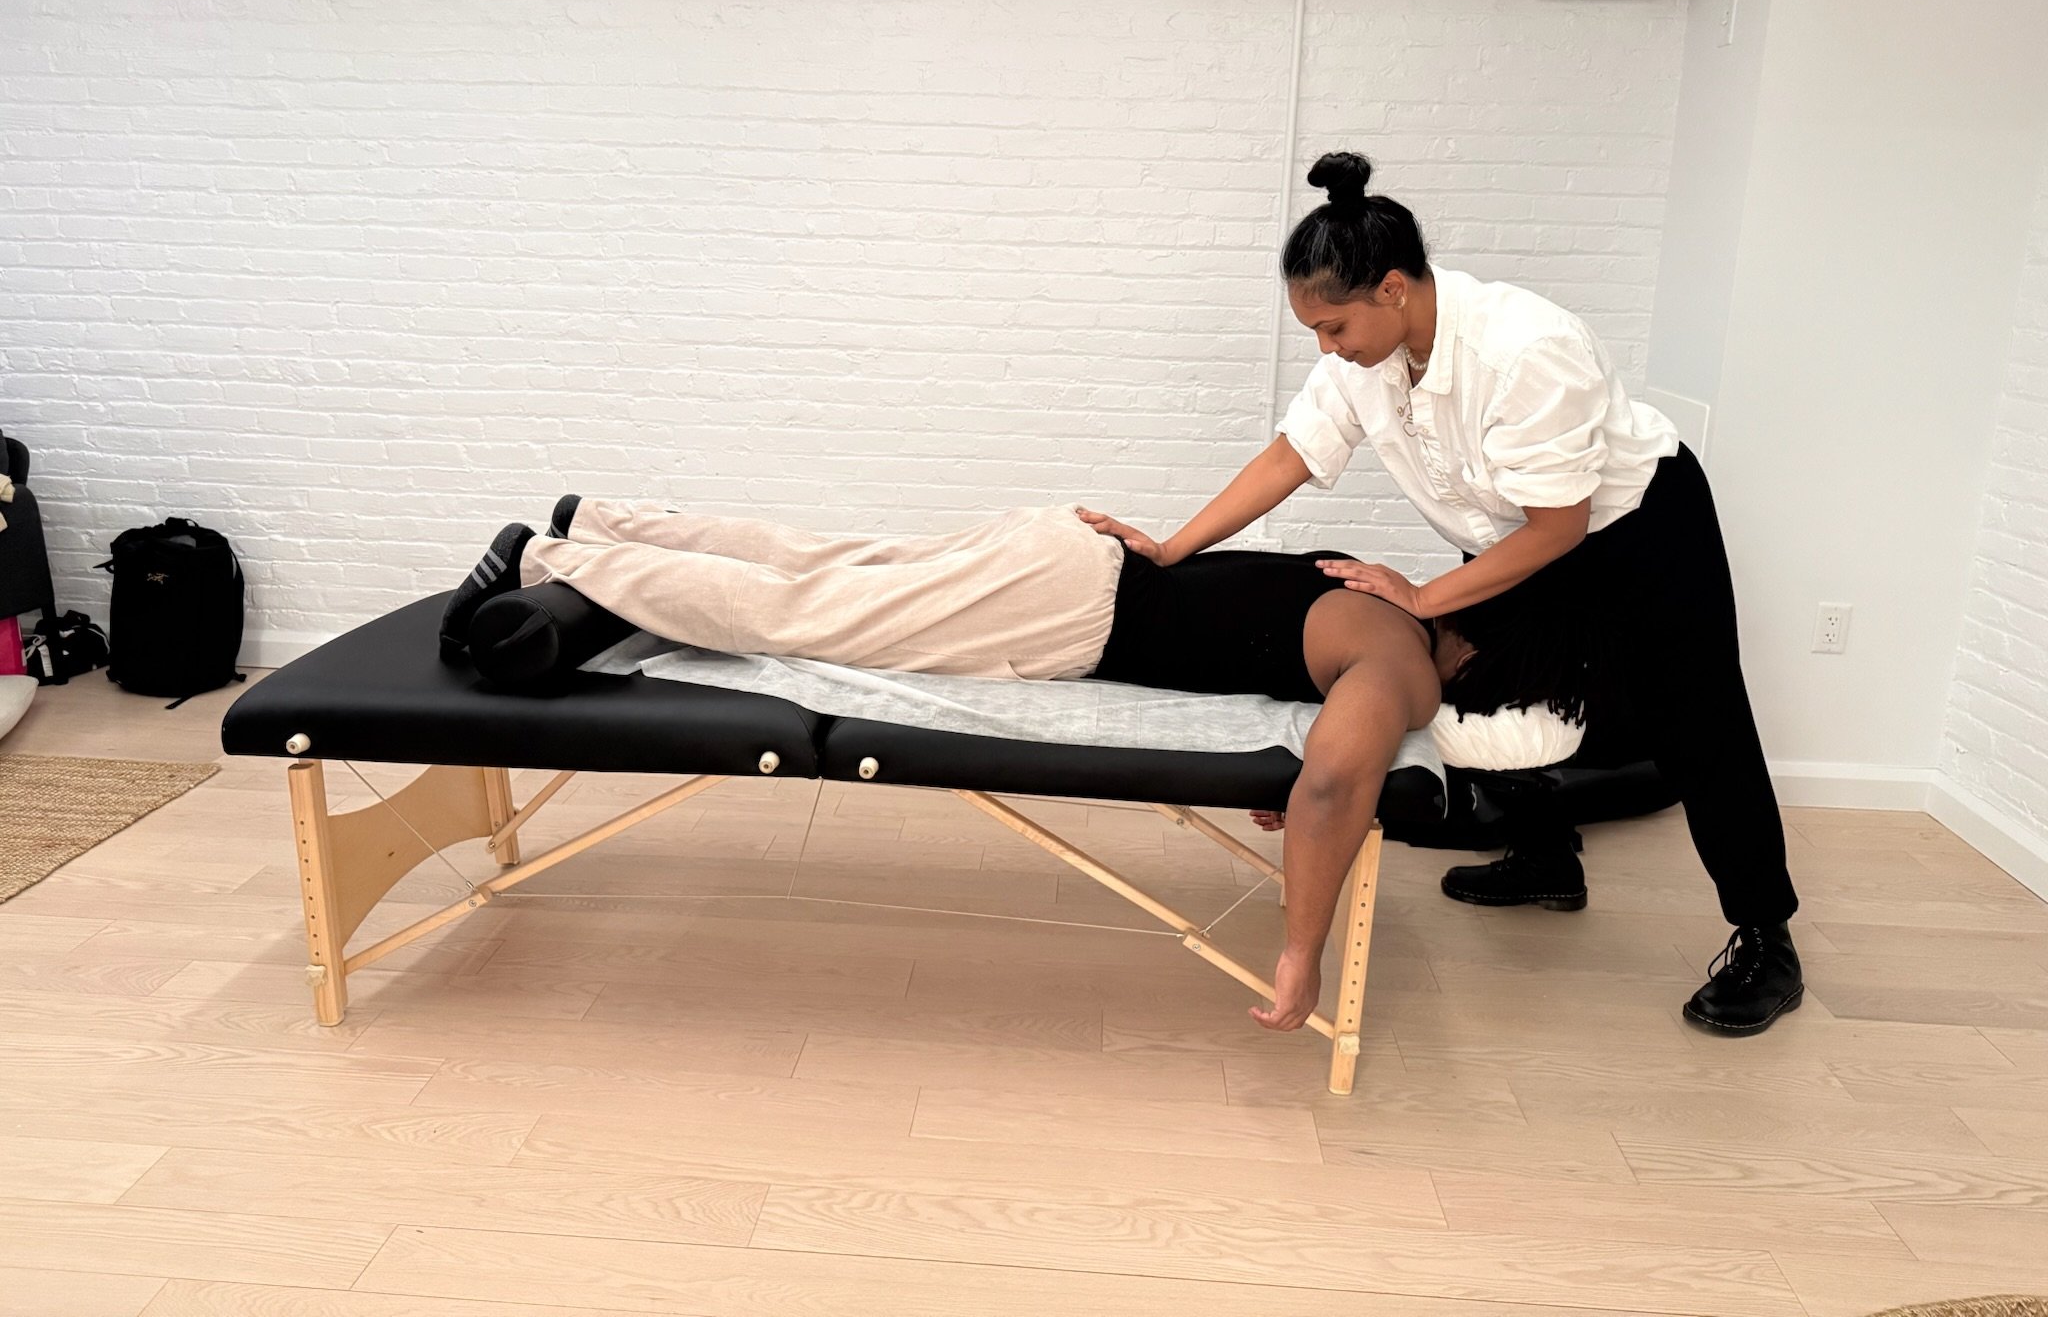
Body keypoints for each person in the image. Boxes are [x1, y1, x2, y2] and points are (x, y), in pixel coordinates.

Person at [1078, 151, 1803, 1037]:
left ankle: (1765, 939)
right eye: (1314, 330)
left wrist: (1424, 597)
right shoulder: (1366, 357)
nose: (1326, 348)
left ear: (1392, 289)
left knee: (1698, 713)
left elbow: (1560, 529)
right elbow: (1293, 453)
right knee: (1475, 671)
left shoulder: (1527, 349)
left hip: (1636, 528)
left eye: (1333, 326)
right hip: (1510, 530)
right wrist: (1172, 547)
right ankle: (1545, 854)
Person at [440, 491, 1440, 1031]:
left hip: (1070, 553)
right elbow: (1332, 781)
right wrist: (1300, 950)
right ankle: (549, 565)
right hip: (1061, 613)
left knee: (828, 562)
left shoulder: (1381, 589)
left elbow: (1274, 675)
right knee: (807, 614)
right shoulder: (1405, 663)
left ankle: (596, 521)